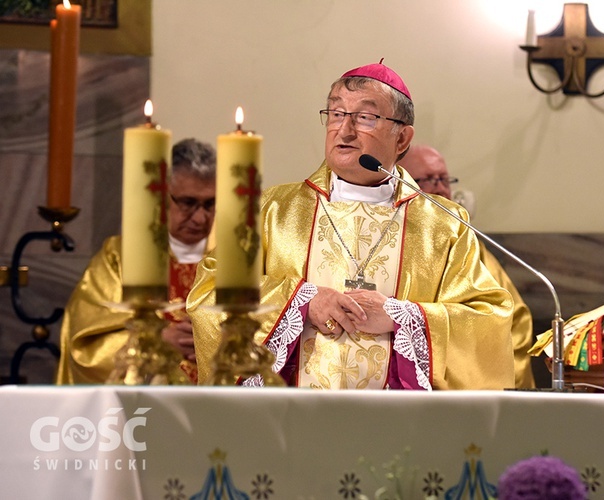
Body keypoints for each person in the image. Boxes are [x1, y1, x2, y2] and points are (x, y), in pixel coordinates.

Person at [188, 62, 515, 389]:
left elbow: (488, 321)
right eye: (335, 113)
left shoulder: (444, 225)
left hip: (400, 428)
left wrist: (400, 317)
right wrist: (302, 302)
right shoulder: (271, 211)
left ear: (402, 139)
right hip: (287, 419)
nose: (344, 131)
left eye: (365, 118)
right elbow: (209, 292)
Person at [56, 138, 217, 384]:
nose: (200, 218)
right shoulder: (119, 257)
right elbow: (86, 344)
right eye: (187, 203)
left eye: (210, 204)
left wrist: (212, 340)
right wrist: (154, 342)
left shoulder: (231, 261)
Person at [399, 144, 535, 388]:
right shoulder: (393, 244)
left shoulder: (466, 242)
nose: (440, 188)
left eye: (444, 179)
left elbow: (512, 317)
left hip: (470, 383)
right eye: (428, 180)